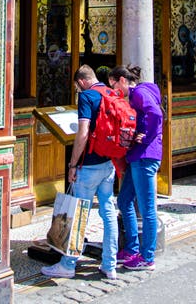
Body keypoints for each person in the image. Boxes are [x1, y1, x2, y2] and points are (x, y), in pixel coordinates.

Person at [42, 65, 119, 280]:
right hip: (108, 164)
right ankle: (109, 263)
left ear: (81, 82)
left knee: (78, 213)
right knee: (108, 212)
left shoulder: (87, 96)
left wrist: (73, 164)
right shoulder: (111, 93)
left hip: (89, 164)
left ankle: (68, 264)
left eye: (77, 86)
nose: (78, 90)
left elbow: (83, 132)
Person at [108, 64, 163, 271]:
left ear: (122, 80)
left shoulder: (139, 92)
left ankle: (147, 257)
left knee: (148, 208)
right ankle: (131, 248)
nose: (115, 92)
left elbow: (156, 115)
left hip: (145, 157)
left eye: (114, 85)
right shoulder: (140, 93)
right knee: (124, 200)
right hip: (136, 157)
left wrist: (146, 138)